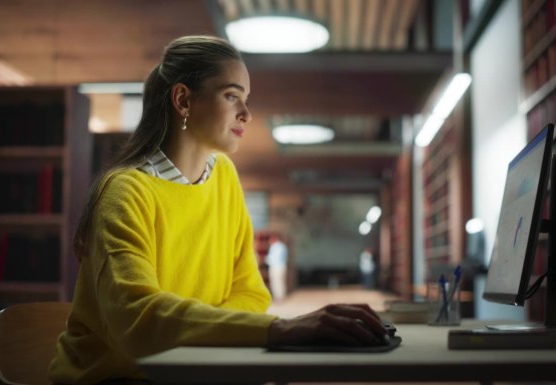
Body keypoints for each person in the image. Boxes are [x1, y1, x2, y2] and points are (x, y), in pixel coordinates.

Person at [48, 35, 388, 384]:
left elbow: (252, 293)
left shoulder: (224, 175)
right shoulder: (126, 192)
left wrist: (202, 335)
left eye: (246, 99)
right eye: (231, 95)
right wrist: (276, 328)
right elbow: (138, 321)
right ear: (183, 99)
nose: (247, 113)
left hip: (194, 372)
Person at [265, 234, 288, 301]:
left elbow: (273, 258)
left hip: (276, 266)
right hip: (282, 266)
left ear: (274, 239)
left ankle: (278, 297)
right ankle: (282, 296)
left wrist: (265, 259)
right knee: (281, 281)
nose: (269, 241)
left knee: (276, 282)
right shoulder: (283, 246)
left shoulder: (275, 247)